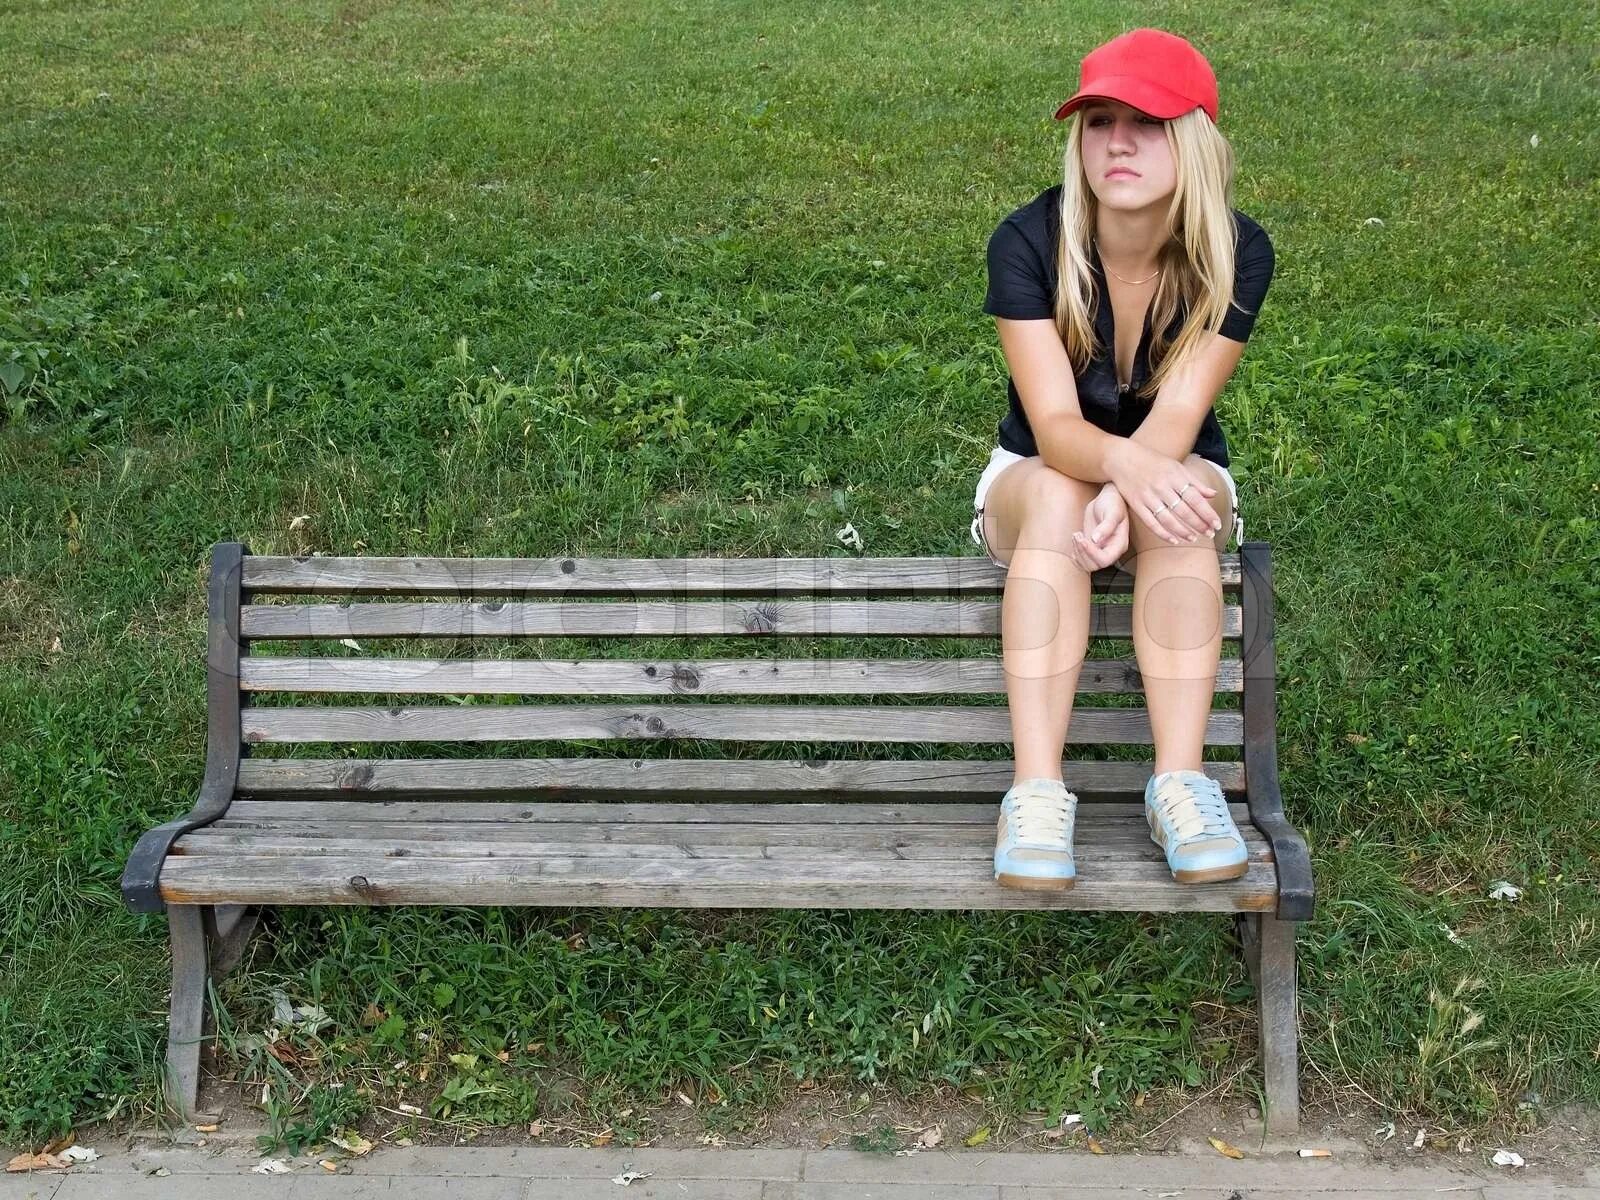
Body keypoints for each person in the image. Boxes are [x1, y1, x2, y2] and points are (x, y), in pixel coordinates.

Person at [971, 28, 1276, 891]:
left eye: (1146, 122)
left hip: (1171, 465)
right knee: (1074, 496)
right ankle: (1034, 792)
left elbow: (1181, 413)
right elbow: (1056, 425)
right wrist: (1121, 478)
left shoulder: (1236, 252)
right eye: (1100, 120)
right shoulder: (1028, 241)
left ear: (1194, 139)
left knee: (1181, 503)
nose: (1118, 142)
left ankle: (1179, 783)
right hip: (1035, 480)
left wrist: (1140, 485)